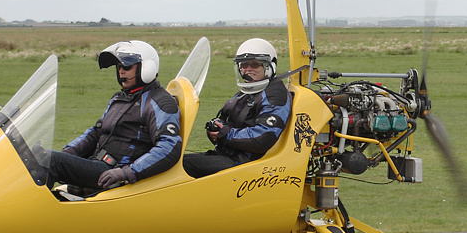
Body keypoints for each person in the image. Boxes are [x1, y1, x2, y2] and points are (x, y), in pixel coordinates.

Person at [46, 40, 182, 192]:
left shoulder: (160, 102)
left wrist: (126, 172)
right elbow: (96, 132)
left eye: (127, 66)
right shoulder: (120, 98)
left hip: (113, 173)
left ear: (146, 68)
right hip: (98, 164)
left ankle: (32, 211)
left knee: (49, 160)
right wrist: (69, 153)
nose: (121, 71)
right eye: (119, 67)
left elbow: (169, 147)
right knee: (40, 155)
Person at [183, 38, 291, 179]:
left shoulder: (274, 95)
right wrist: (216, 129)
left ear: (269, 67)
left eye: (255, 65)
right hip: (231, 155)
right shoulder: (249, 90)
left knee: (184, 166)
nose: (248, 70)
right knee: (177, 162)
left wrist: (226, 134)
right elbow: (229, 120)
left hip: (247, 163)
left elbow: (264, 137)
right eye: (244, 65)